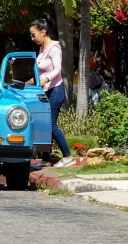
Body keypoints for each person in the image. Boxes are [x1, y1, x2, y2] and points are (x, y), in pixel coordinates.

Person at [30, 14, 74, 168]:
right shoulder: (42, 49)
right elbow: (39, 72)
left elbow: (57, 69)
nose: (32, 38)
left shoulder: (54, 48)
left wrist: (46, 80)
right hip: (45, 91)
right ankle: (46, 160)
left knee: (50, 125)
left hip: (55, 91)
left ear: (43, 32)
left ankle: (68, 156)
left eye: (33, 34)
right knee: (44, 124)